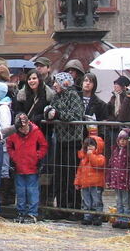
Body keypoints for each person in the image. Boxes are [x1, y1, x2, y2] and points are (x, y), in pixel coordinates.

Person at [46, 72, 85, 218]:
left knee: (71, 175)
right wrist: (48, 112)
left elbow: (75, 115)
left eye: (56, 82)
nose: (54, 85)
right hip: (60, 140)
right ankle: (62, 207)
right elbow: (53, 110)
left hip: (73, 141)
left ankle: (74, 207)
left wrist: (57, 114)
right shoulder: (56, 97)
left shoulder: (73, 96)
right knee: (60, 175)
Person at [7, 113, 48, 223]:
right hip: (19, 166)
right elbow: (9, 146)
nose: (23, 130)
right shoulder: (14, 134)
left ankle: (32, 213)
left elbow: (44, 146)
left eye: (24, 127)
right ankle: (21, 212)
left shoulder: (36, 132)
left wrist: (37, 156)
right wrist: (14, 156)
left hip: (32, 166)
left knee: (32, 191)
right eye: (21, 128)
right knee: (20, 192)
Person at [105, 127, 130, 228]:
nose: (122, 142)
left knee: (125, 201)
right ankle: (119, 218)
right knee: (118, 201)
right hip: (116, 180)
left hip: (124, 181)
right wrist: (108, 179)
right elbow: (110, 165)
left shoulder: (128, 152)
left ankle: (126, 219)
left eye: (125, 140)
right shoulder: (115, 151)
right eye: (121, 139)